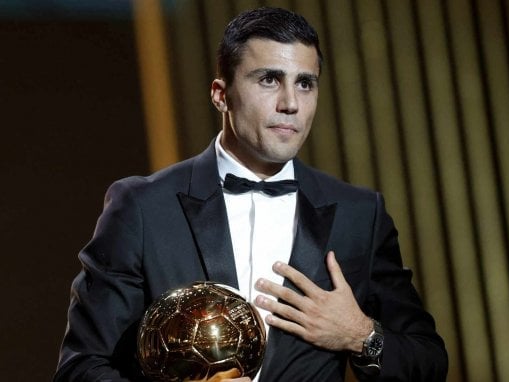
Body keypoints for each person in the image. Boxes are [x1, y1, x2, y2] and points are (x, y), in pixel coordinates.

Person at [54, 6, 448, 382]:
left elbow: (427, 361)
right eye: (269, 79)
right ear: (220, 95)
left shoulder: (359, 214)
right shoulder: (142, 207)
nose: (291, 103)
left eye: (305, 83)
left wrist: (361, 335)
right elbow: (81, 367)